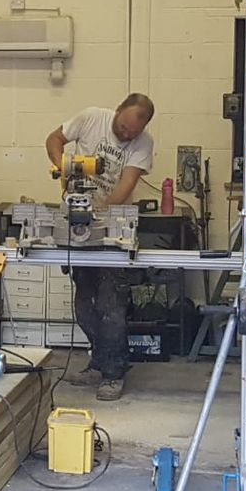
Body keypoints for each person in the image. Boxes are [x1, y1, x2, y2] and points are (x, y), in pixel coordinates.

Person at [43, 94, 156, 401]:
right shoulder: (91, 116)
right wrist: (63, 164)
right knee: (84, 306)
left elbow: (126, 185)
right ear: (117, 110)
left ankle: (113, 372)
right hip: (78, 228)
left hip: (112, 231)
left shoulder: (143, 144)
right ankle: (99, 360)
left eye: (133, 132)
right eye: (122, 127)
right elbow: (54, 138)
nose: (126, 135)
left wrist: (99, 216)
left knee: (111, 307)